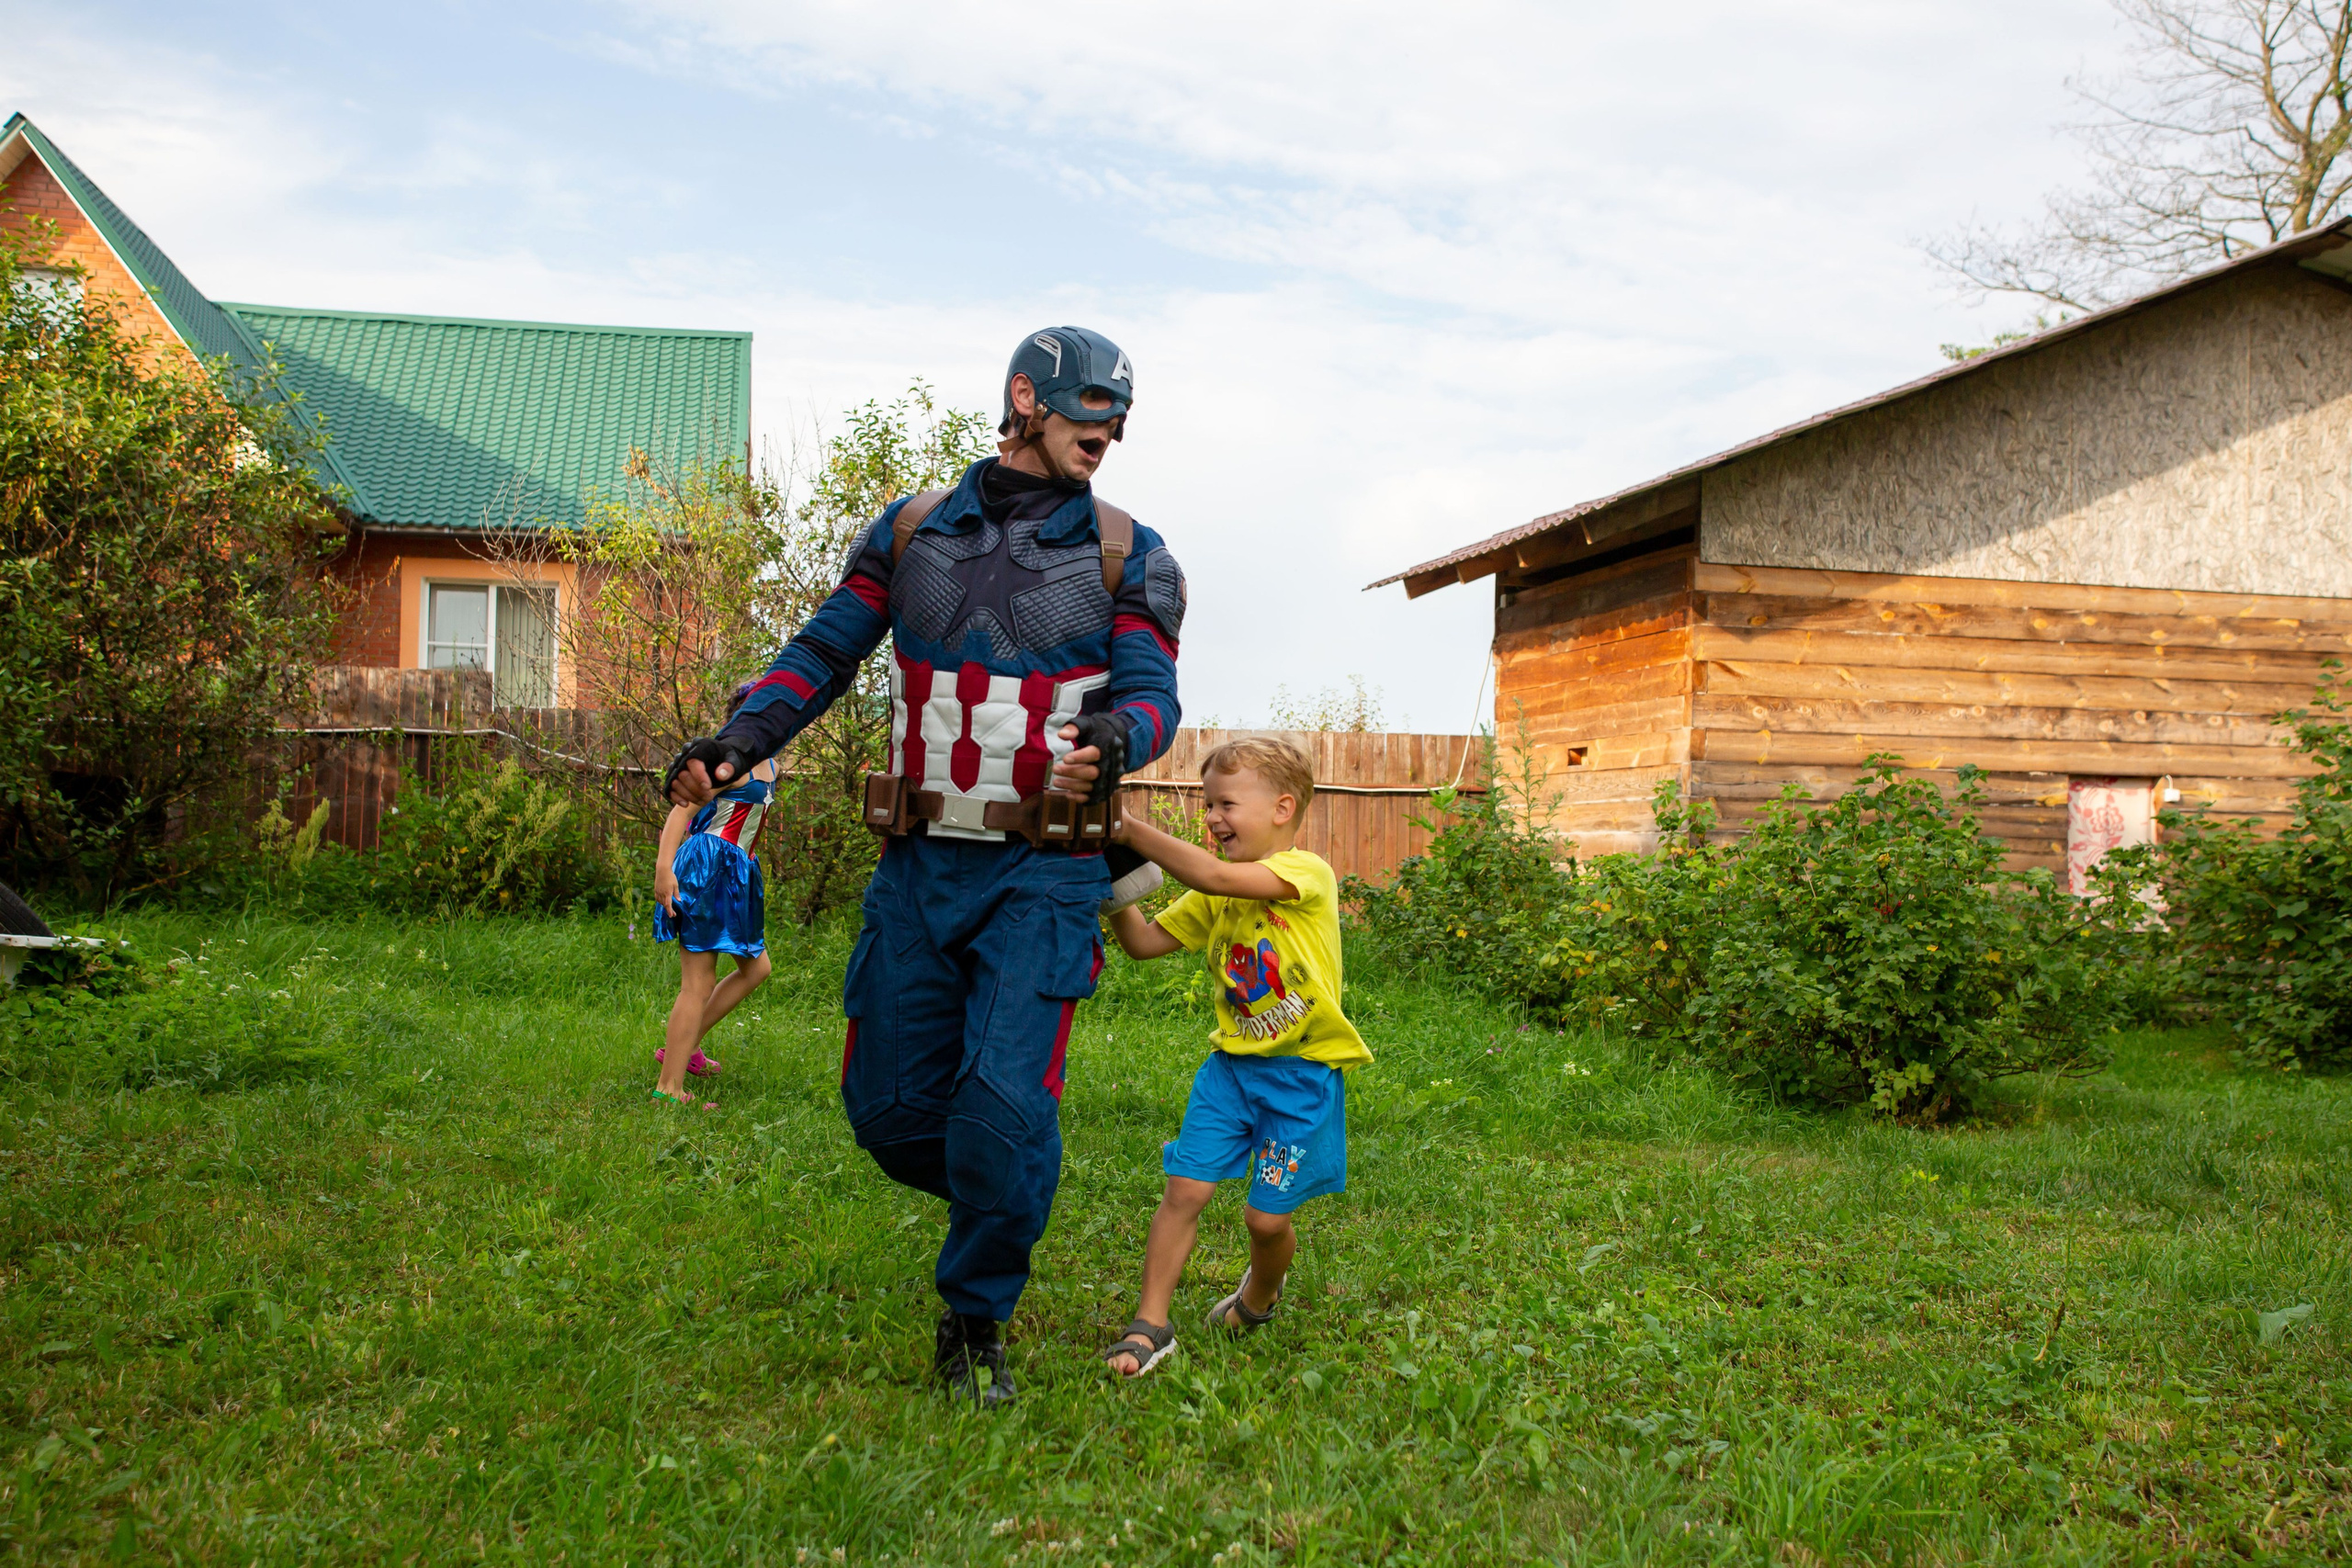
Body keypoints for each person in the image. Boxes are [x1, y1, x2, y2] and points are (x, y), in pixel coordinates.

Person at [662, 327, 1184, 1405]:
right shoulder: (908, 534)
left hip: (1043, 873)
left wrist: (1119, 737)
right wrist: (737, 742)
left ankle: (973, 1321)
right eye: (1091, 407)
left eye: (1121, 415)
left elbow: (1151, 692)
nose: (1110, 430)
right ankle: (1013, 1178)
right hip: (916, 865)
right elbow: (819, 653)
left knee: (998, 1107)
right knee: (893, 1115)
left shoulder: (1132, 555)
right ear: (1025, 398)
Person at [1097, 738, 1372, 1380]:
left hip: (1301, 1078)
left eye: (1226, 803)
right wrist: (1110, 875)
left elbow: (1215, 874)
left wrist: (1129, 826)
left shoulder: (1307, 873)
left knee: (1265, 1218)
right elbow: (1141, 941)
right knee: (1185, 1189)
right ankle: (1150, 1324)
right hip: (1230, 1074)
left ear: (1282, 807)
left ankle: (1259, 1295)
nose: (1212, 817)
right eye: (1207, 804)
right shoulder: (1213, 895)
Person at [651, 685, 778, 1110]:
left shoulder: (768, 764)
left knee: (756, 968)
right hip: (706, 868)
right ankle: (667, 1089)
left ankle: (684, 1051)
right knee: (698, 983)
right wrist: (664, 870)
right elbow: (681, 811)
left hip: (737, 873)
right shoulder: (726, 760)